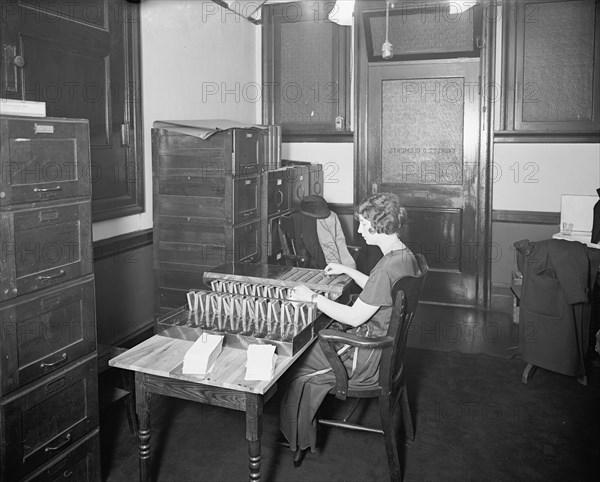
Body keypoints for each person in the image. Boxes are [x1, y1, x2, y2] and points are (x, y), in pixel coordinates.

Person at [280, 192, 420, 463]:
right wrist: (350, 271)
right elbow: (381, 288)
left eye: (363, 224)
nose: (358, 230)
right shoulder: (404, 256)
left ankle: (298, 440)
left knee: (297, 359)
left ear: (378, 227)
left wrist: (312, 297)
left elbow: (355, 318)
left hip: (369, 357)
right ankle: (301, 430)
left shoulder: (386, 267)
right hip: (389, 351)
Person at [291, 195, 356, 270]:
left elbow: (340, 241)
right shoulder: (303, 220)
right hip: (314, 262)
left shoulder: (332, 217)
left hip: (328, 260)